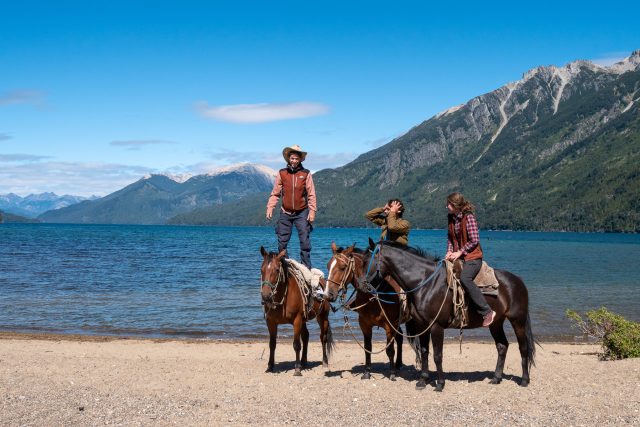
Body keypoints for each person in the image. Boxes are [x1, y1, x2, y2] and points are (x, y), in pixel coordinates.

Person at [445, 192, 496, 327]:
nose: (446, 206)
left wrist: (460, 252)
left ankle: (487, 311)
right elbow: (450, 238)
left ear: (455, 205)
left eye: (448, 204)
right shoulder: (451, 217)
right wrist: (449, 251)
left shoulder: (469, 217)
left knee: (465, 278)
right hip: (459, 255)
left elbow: (475, 240)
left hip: (473, 257)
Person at [266, 145, 317, 269]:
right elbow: (275, 192)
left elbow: (311, 194)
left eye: (296, 158)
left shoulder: (306, 174)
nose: (294, 161)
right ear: (288, 159)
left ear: (300, 159)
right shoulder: (282, 173)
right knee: (282, 243)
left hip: (302, 212)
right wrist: (270, 207)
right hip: (285, 212)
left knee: (305, 242)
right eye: (292, 158)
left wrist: (312, 211)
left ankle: (306, 269)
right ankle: (286, 267)